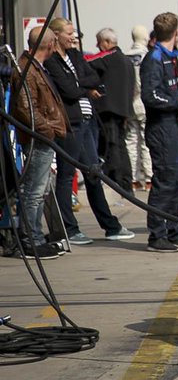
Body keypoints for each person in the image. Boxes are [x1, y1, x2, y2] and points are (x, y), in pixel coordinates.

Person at [44, 18, 134, 245]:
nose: (74, 37)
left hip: (87, 121)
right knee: (66, 176)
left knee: (94, 174)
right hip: (71, 124)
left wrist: (80, 84)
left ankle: (110, 225)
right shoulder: (52, 61)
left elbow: (93, 77)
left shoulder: (75, 55)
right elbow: (69, 91)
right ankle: (70, 229)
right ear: (55, 36)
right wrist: (84, 87)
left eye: (75, 33)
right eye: (69, 33)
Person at [141, 12, 178, 253]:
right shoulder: (154, 58)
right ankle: (156, 235)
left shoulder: (171, 56)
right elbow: (150, 95)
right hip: (162, 128)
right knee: (165, 181)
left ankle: (175, 229)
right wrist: (177, 104)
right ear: (176, 33)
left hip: (176, 126)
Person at [9, 25, 69, 258]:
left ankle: (36, 235)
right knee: (33, 190)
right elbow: (26, 109)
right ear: (51, 45)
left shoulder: (35, 68)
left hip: (44, 138)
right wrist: (50, 131)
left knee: (40, 189)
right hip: (39, 140)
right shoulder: (26, 70)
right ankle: (30, 238)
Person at [87, 27, 136, 191]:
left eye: (99, 42)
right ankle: (125, 181)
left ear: (107, 42)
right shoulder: (127, 61)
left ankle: (115, 180)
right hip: (124, 109)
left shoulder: (109, 56)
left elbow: (87, 62)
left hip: (109, 109)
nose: (97, 46)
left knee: (111, 145)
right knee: (121, 145)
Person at [125, 25, 153, 190]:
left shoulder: (125, 56)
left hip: (130, 102)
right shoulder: (148, 57)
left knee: (131, 140)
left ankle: (133, 178)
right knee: (145, 140)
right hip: (144, 102)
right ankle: (149, 178)